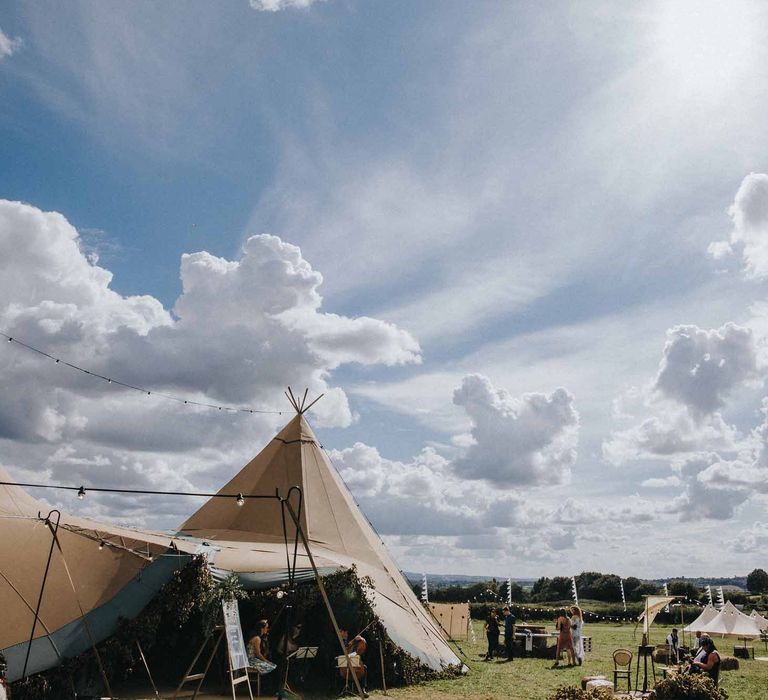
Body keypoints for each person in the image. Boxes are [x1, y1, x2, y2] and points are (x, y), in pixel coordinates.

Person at [339, 628, 369, 698]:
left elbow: (361, 643)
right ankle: (341, 688)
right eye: (342, 632)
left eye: (345, 632)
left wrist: (360, 639)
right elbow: (342, 649)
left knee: (364, 667)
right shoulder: (339, 640)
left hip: (353, 661)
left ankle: (362, 689)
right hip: (342, 662)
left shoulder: (350, 639)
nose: (345, 634)